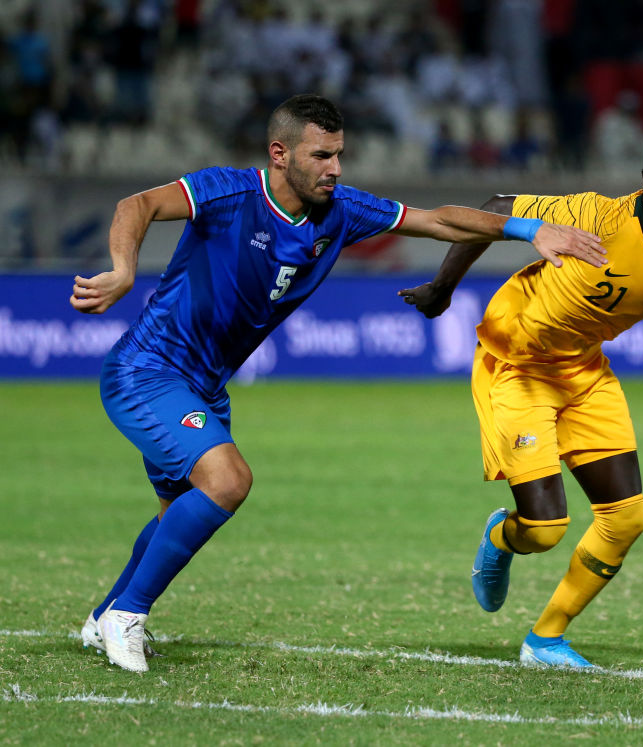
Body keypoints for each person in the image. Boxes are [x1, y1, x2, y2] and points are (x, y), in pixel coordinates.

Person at [69, 93, 605, 673]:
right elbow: (136, 204)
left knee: (177, 511)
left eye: (340, 155)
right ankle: (130, 616)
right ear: (280, 154)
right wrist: (123, 271)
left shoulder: (342, 211)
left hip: (204, 387)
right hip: (147, 371)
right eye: (322, 155)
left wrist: (527, 230)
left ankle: (103, 619)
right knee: (227, 480)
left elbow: (436, 219)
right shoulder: (227, 192)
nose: (336, 168)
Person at [400, 120, 643, 668]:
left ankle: (545, 640)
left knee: (626, 519)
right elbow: (495, 205)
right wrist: (442, 288)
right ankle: (502, 538)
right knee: (545, 528)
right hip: (516, 363)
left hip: (583, 371)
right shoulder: (596, 215)